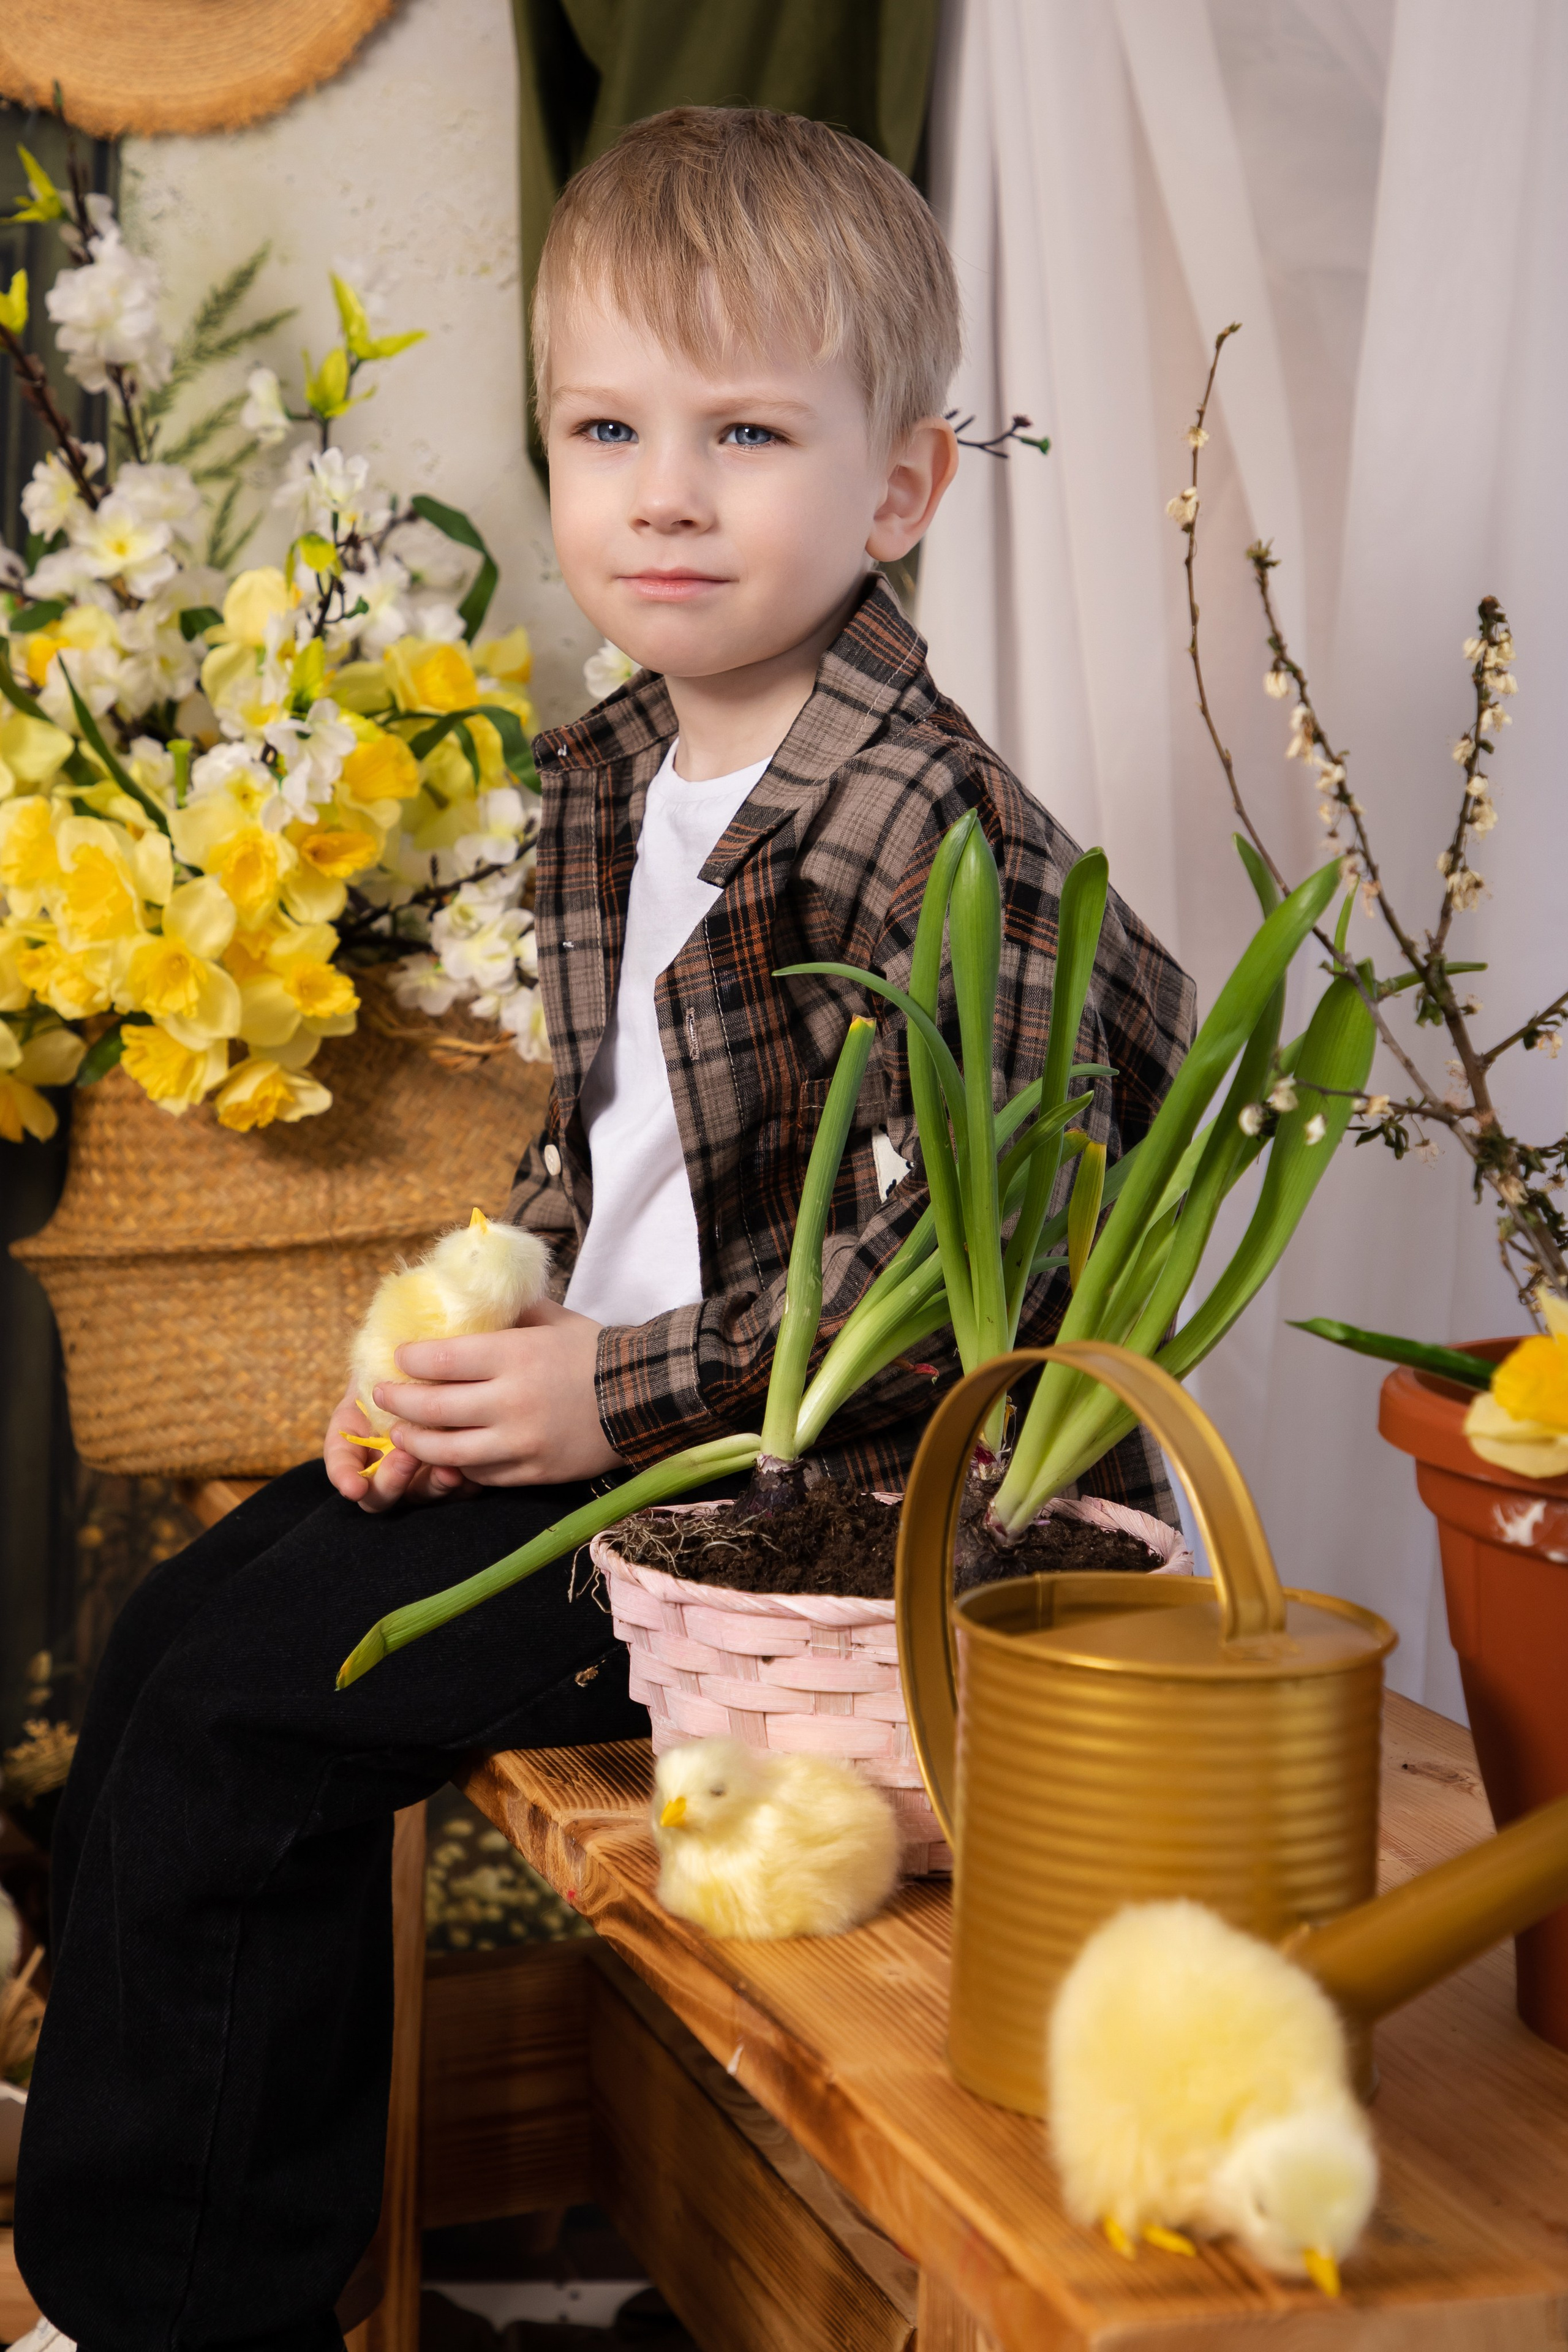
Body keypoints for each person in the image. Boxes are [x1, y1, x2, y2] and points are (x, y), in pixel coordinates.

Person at [13, 107, 1193, 2351]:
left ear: (901, 487)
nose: (665, 490)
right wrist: (465, 1359)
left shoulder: (934, 834)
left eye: (748, 431)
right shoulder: (617, 775)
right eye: (607, 426)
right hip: (623, 1430)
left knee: (251, 1730)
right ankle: (195, 2204)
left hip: (807, 1503)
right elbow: (613, 1154)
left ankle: (167, 2317)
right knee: (171, 1646)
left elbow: (985, 1273)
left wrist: (602, 1394)